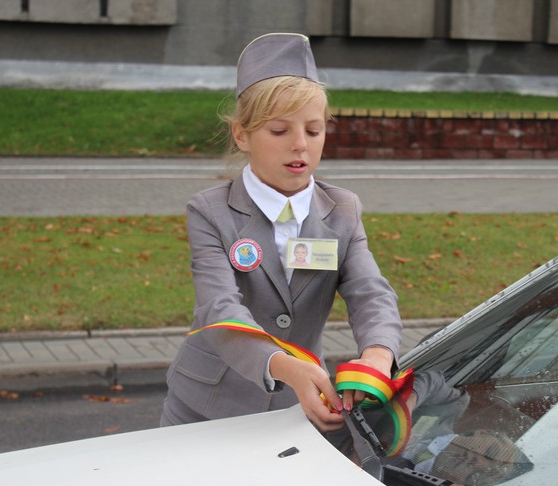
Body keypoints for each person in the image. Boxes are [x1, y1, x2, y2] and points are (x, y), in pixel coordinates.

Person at [160, 33, 402, 432]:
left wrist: (378, 352)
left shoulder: (342, 210)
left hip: (300, 409)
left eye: (313, 130)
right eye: (279, 131)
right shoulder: (210, 210)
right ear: (242, 135)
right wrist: (286, 367)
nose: (299, 146)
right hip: (206, 406)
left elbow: (370, 292)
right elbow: (219, 309)